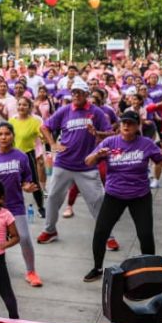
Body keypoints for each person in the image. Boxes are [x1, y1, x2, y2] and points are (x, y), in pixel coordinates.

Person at [83, 110, 162, 282]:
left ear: (137, 126)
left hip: (140, 195)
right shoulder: (110, 142)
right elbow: (88, 161)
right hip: (114, 195)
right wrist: (97, 155)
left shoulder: (146, 143)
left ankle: (150, 271)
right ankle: (97, 268)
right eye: (124, 122)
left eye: (130, 123)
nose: (126, 125)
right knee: (101, 232)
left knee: (145, 234)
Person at [37, 80, 111, 246]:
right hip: (63, 163)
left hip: (87, 166)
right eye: (74, 92)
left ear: (86, 94)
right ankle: (50, 230)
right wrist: (53, 144)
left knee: (98, 201)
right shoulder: (65, 110)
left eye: (79, 93)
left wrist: (97, 133)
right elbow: (44, 127)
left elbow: (110, 133)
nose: (76, 95)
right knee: (52, 198)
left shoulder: (96, 112)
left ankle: (107, 235)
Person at [0, 123, 42, 287]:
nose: (3, 137)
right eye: (0, 134)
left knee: (24, 238)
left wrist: (27, 187)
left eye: (7, 134)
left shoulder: (21, 156)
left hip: (15, 205)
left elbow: (26, 179)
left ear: (13, 136)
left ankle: (31, 272)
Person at [9, 96, 47, 215]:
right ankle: (13, 208)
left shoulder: (35, 121)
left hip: (28, 155)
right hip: (13, 155)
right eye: (19, 104)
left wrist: (44, 142)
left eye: (24, 105)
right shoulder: (12, 121)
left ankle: (41, 207)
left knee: (34, 182)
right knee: (12, 182)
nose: (21, 107)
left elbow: (43, 136)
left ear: (30, 107)